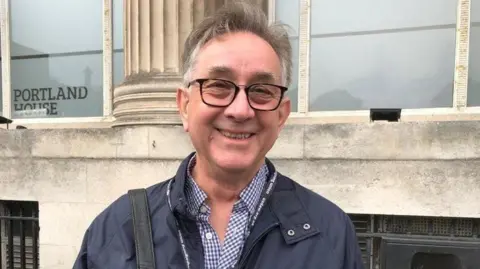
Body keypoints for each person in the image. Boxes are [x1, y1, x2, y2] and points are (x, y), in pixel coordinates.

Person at [73, 2, 364, 269]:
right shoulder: (115, 231)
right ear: (184, 106)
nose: (240, 110)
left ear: (281, 115)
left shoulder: (331, 234)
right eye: (218, 86)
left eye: (261, 90)